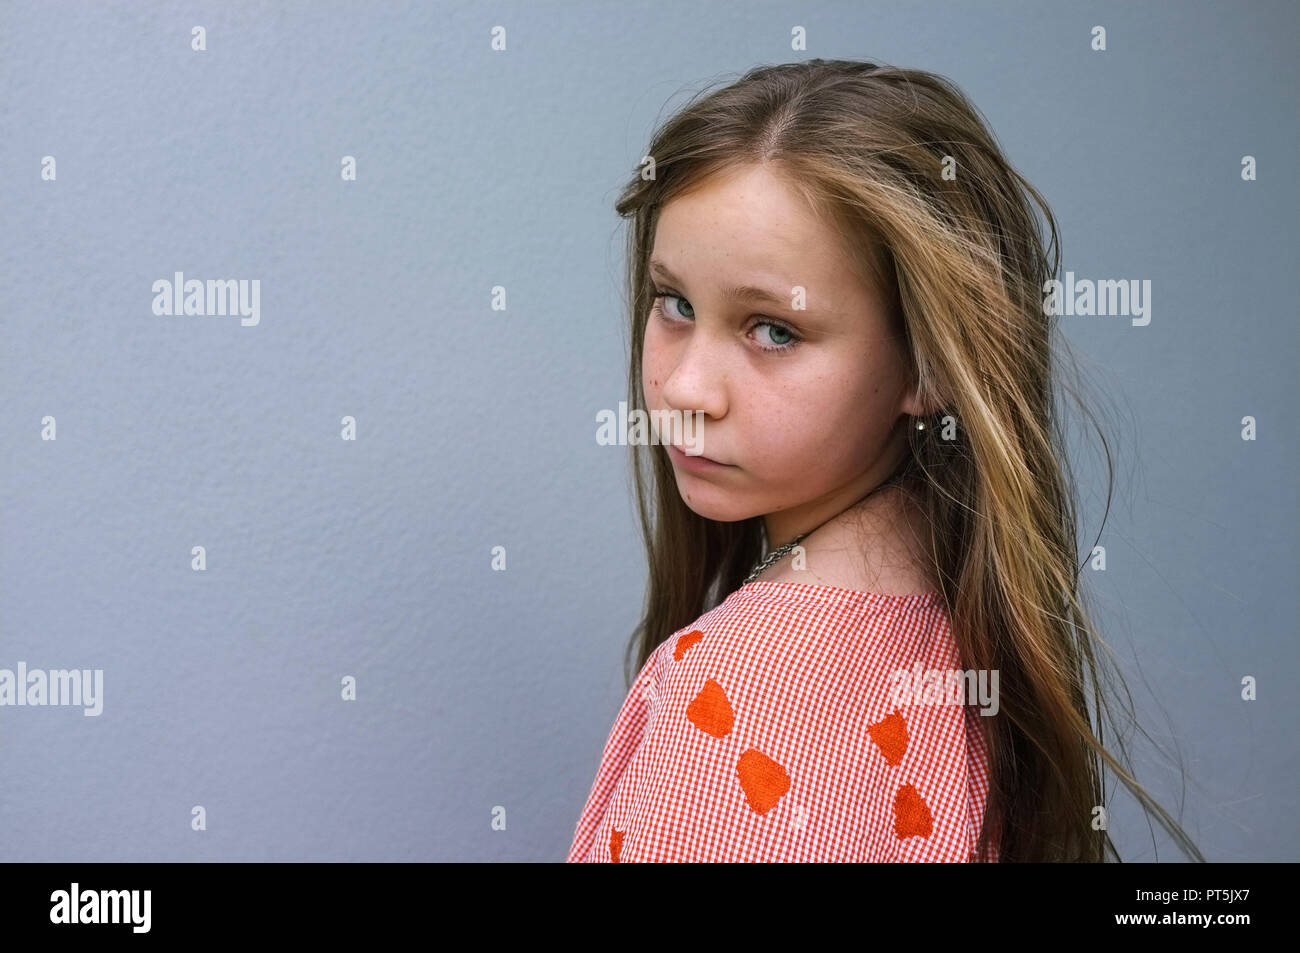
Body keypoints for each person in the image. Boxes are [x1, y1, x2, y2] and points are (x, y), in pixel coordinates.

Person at [568, 59, 1204, 862]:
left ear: (931, 363)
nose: (688, 386)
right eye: (676, 305)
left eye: (773, 329)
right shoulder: (966, 643)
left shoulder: (730, 689)